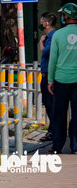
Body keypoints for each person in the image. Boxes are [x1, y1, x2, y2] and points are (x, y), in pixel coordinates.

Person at [48, 3, 77, 154]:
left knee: (59, 114)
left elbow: (53, 59)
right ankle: (75, 146)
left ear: (66, 16)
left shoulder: (58, 34)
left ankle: (57, 146)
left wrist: (50, 80)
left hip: (61, 79)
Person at [38, 12, 57, 143]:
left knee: (51, 105)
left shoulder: (52, 37)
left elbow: (46, 52)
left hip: (50, 76)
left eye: (41, 21)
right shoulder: (50, 36)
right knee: (48, 104)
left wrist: (41, 42)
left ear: (47, 23)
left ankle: (54, 131)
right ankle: (52, 130)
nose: (40, 23)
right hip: (45, 74)